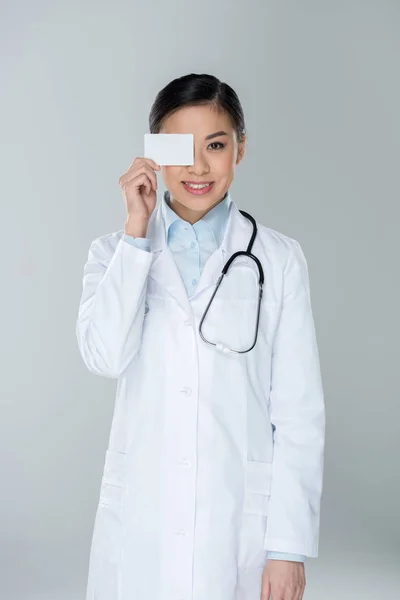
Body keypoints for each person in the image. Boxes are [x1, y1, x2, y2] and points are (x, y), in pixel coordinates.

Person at [76, 73, 325, 600]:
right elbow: (104, 356)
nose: (198, 167)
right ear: (153, 153)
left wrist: (287, 547)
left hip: (239, 526)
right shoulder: (114, 252)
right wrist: (136, 235)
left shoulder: (278, 260)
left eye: (215, 145)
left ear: (240, 148)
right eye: (180, 148)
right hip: (143, 519)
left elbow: (299, 412)